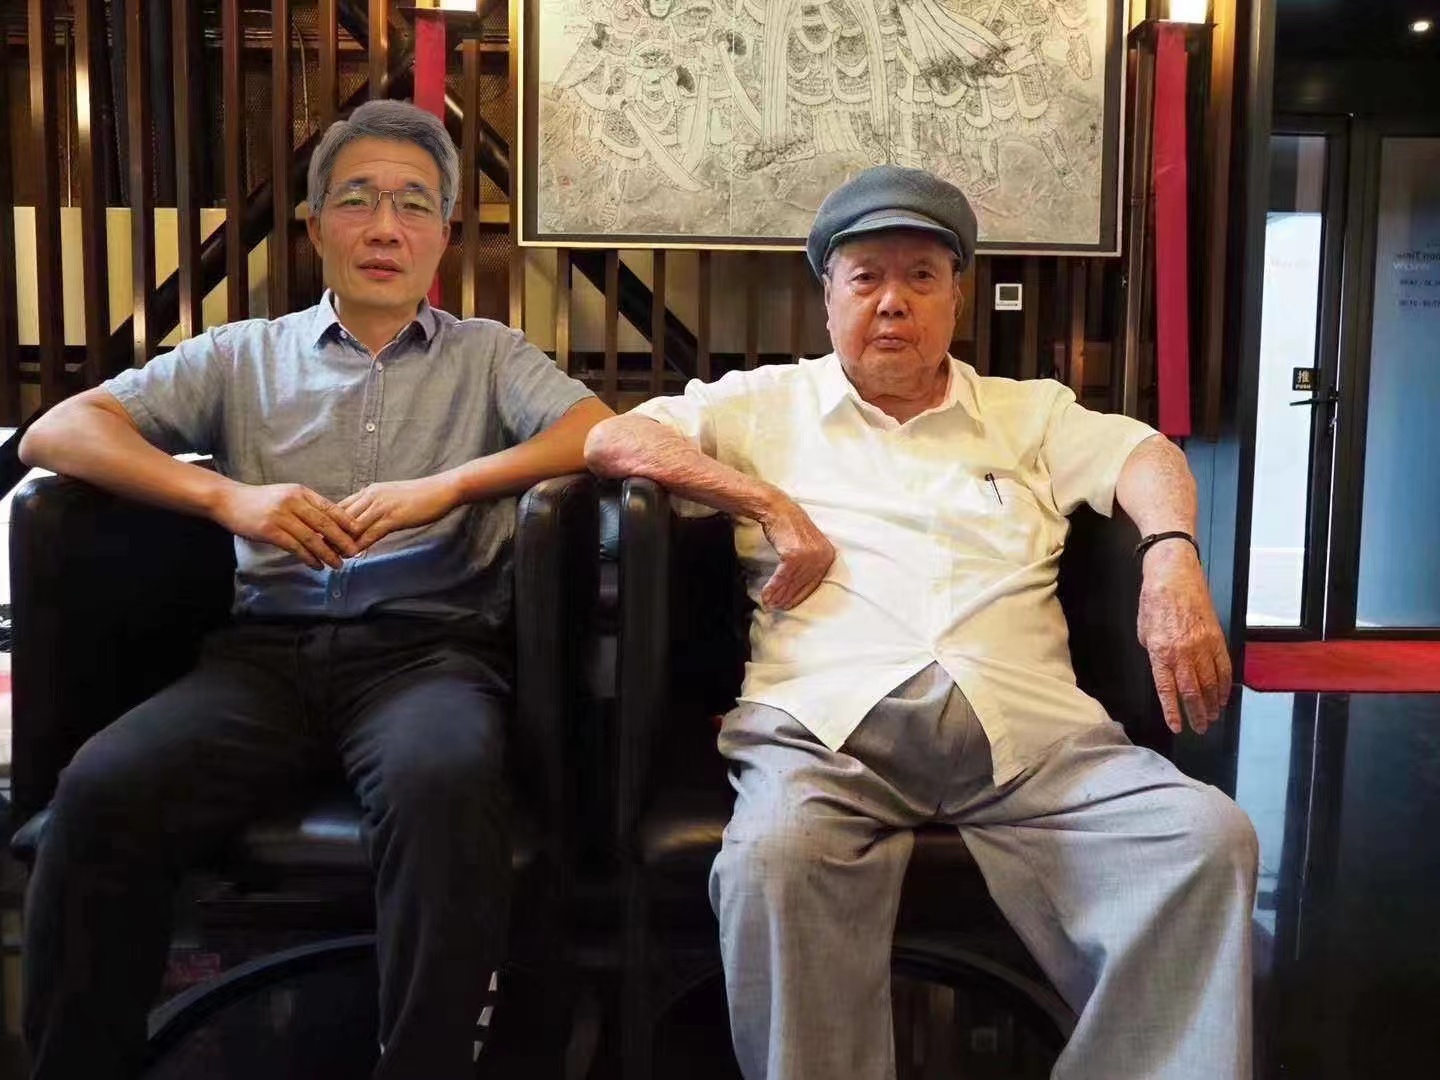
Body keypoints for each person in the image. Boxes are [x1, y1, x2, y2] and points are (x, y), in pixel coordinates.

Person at [585, 165, 1257, 1080]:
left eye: (921, 277)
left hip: (1032, 741)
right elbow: (611, 438)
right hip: (825, 737)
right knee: (773, 860)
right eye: (866, 278)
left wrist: (1171, 554)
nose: (893, 301)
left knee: (1206, 841)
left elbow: (1145, 453)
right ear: (829, 297)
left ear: (956, 299)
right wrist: (764, 501)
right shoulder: (763, 406)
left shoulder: (1028, 412)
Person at [18, 99, 612, 1080]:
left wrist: (451, 485)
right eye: (358, 200)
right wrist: (227, 497)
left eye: (414, 205)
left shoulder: (490, 355)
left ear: (444, 234)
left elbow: (596, 432)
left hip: (429, 657)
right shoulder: (241, 354)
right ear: (314, 225)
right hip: (263, 663)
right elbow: (57, 432)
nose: (386, 227)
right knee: (100, 789)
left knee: (445, 780)